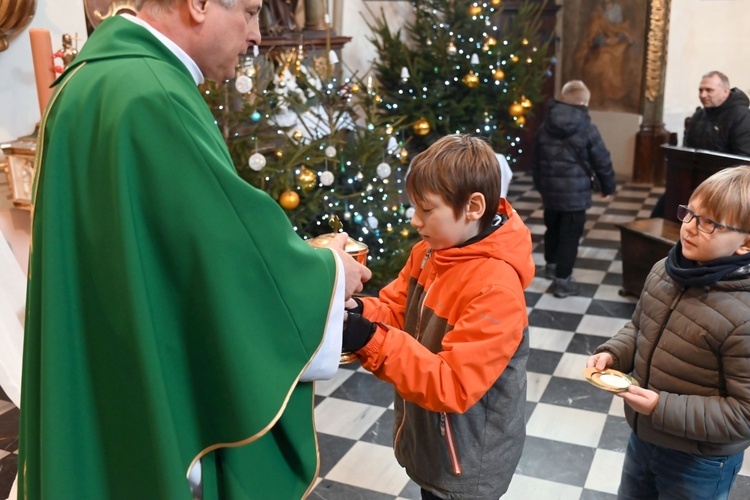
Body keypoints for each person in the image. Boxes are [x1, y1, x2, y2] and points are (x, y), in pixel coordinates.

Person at [18, 1, 371, 499]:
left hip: (105, 363)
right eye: (249, 12)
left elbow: (172, 247)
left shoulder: (91, 80)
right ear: (199, 5)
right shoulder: (152, 93)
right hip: (142, 384)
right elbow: (227, 251)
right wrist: (330, 272)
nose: (256, 36)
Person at [340, 134, 534, 499]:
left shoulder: (496, 290)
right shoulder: (430, 253)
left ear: (473, 206)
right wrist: (359, 311)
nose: (415, 220)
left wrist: (370, 339)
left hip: (467, 463)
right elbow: (398, 311)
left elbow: (454, 384)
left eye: (426, 210)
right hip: (433, 443)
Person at [587, 165, 750, 500]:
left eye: (709, 223)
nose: (689, 227)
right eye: (689, 213)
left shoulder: (743, 316)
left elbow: (744, 414)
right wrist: (615, 352)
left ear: (745, 243)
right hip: (645, 436)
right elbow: (639, 326)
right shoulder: (665, 270)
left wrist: (661, 407)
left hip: (700, 461)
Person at [531, 80, 617, 298]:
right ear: (584, 102)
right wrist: (608, 186)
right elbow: (602, 159)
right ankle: (563, 280)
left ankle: (551, 265)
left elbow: (536, 159)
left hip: (550, 192)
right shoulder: (587, 127)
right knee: (570, 236)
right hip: (576, 195)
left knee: (552, 228)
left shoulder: (545, 125)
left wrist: (540, 186)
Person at [651, 71, 750, 218]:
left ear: (725, 91)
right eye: (700, 90)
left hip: (724, 189)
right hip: (694, 182)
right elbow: (687, 150)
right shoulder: (700, 115)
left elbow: (744, 159)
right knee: (665, 207)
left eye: (709, 90)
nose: (703, 95)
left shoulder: (742, 116)